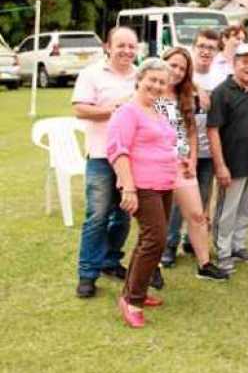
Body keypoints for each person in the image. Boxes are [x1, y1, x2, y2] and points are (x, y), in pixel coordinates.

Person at [106, 58, 178, 328]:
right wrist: (128, 187)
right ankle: (132, 301)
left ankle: (134, 290)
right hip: (142, 185)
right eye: (152, 80)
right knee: (155, 240)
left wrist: (180, 159)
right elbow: (117, 150)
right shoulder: (127, 111)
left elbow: (174, 140)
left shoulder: (162, 108)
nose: (157, 86)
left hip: (165, 184)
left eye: (162, 82)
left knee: (148, 240)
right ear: (140, 78)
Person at [73, 27, 138, 298]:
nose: (126, 51)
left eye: (131, 46)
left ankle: (111, 262)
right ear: (108, 47)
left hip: (132, 159)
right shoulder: (91, 74)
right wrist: (113, 112)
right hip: (101, 155)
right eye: (121, 45)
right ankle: (87, 274)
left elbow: (161, 107)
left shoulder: (141, 75)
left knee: (123, 216)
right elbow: (79, 108)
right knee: (97, 216)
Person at [155, 48, 228, 281]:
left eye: (181, 68)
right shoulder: (150, 93)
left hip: (181, 164)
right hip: (155, 165)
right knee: (156, 220)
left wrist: (192, 159)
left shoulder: (186, 96)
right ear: (162, 62)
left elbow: (191, 132)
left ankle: (204, 264)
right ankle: (152, 267)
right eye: (172, 65)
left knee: (196, 214)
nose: (175, 71)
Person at [207, 43, 248, 274]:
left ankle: (239, 246)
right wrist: (220, 165)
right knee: (227, 210)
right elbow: (212, 130)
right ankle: (223, 251)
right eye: (244, 61)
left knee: (246, 208)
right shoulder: (221, 92)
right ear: (234, 63)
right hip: (232, 163)